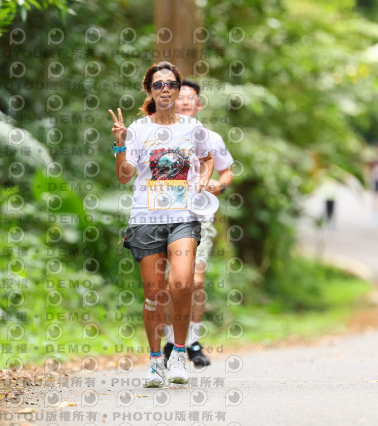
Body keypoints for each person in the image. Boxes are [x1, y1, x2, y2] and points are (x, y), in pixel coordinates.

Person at [109, 61, 214, 387]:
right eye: (158, 84)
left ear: (178, 89)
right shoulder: (139, 129)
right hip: (146, 219)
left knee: (181, 285)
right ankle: (156, 361)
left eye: (170, 84)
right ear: (149, 91)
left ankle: (179, 353)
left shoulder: (192, 127)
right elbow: (124, 176)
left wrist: (203, 180)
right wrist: (120, 144)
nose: (165, 89)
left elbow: (207, 159)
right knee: (154, 293)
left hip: (183, 218)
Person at [162, 80, 233, 367]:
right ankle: (171, 341)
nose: (184, 101)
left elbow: (227, 171)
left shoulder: (211, 138)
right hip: (164, 217)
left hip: (200, 218)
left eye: (190, 97)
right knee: (171, 284)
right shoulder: (161, 135)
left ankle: (193, 341)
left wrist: (219, 185)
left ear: (199, 104)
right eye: (179, 97)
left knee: (196, 281)